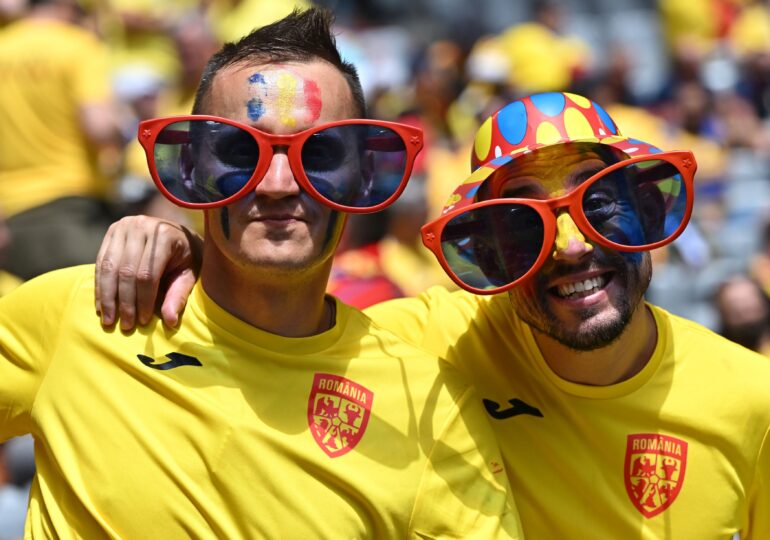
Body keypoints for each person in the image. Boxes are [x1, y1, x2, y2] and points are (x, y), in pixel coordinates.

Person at [99, 91, 770, 537]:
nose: (573, 248)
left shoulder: (752, 401)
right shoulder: (428, 343)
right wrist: (188, 250)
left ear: (649, 214)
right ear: (484, 251)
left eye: (603, 208)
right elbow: (269, 327)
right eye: (520, 226)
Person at [0, 8, 524, 538]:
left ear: (364, 176)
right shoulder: (81, 315)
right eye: (237, 150)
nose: (277, 183)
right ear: (190, 168)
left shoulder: (427, 404)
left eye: (319, 153)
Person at [0, 0, 122, 280]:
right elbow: (99, 127)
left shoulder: (2, 47)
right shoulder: (78, 46)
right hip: (71, 211)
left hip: (9, 220)